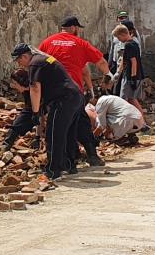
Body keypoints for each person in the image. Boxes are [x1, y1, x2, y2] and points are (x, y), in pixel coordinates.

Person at [39, 16, 109, 168]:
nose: (78, 31)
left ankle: (66, 159)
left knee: (59, 125)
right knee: (80, 123)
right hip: (73, 91)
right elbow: (101, 62)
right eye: (78, 28)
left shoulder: (47, 42)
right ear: (73, 28)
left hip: (52, 91)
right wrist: (108, 75)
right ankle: (90, 156)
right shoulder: (81, 43)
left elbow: (38, 63)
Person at [12, 43, 88, 179]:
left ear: (24, 56)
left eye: (19, 61)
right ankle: (69, 165)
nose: (20, 64)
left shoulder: (34, 64)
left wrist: (35, 113)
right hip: (75, 96)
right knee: (68, 133)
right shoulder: (43, 59)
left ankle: (53, 169)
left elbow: (35, 88)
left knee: (54, 134)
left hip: (63, 99)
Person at [3, 69, 41, 150]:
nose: (13, 86)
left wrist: (38, 137)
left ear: (21, 83)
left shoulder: (36, 90)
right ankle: (6, 145)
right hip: (34, 108)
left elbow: (41, 114)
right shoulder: (26, 92)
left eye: (15, 84)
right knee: (19, 122)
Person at [109, 23, 145, 106]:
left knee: (126, 99)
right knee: (131, 99)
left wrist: (133, 78)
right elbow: (124, 59)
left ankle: (138, 114)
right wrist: (118, 73)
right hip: (131, 75)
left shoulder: (129, 45)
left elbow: (134, 61)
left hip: (131, 76)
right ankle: (138, 114)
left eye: (119, 38)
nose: (119, 40)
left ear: (122, 34)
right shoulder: (133, 43)